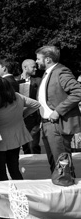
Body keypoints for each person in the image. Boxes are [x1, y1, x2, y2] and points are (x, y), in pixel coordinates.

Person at [35, 45, 81, 174]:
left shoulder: (61, 71)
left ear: (48, 59)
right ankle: (60, 185)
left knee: (62, 162)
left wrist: (58, 111)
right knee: (55, 164)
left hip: (57, 124)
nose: (36, 61)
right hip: (46, 124)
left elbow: (78, 92)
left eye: (38, 59)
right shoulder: (47, 73)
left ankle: (66, 186)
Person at [0, 77, 40, 181]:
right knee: (14, 169)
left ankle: (5, 194)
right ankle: (20, 192)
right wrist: (23, 114)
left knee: (1, 171)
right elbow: (36, 104)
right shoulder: (17, 97)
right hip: (15, 138)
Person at [16, 59, 42, 154]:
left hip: (33, 118)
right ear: (25, 67)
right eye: (33, 67)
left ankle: (38, 167)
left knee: (33, 145)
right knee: (25, 146)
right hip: (19, 118)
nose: (36, 68)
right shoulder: (14, 81)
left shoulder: (38, 81)